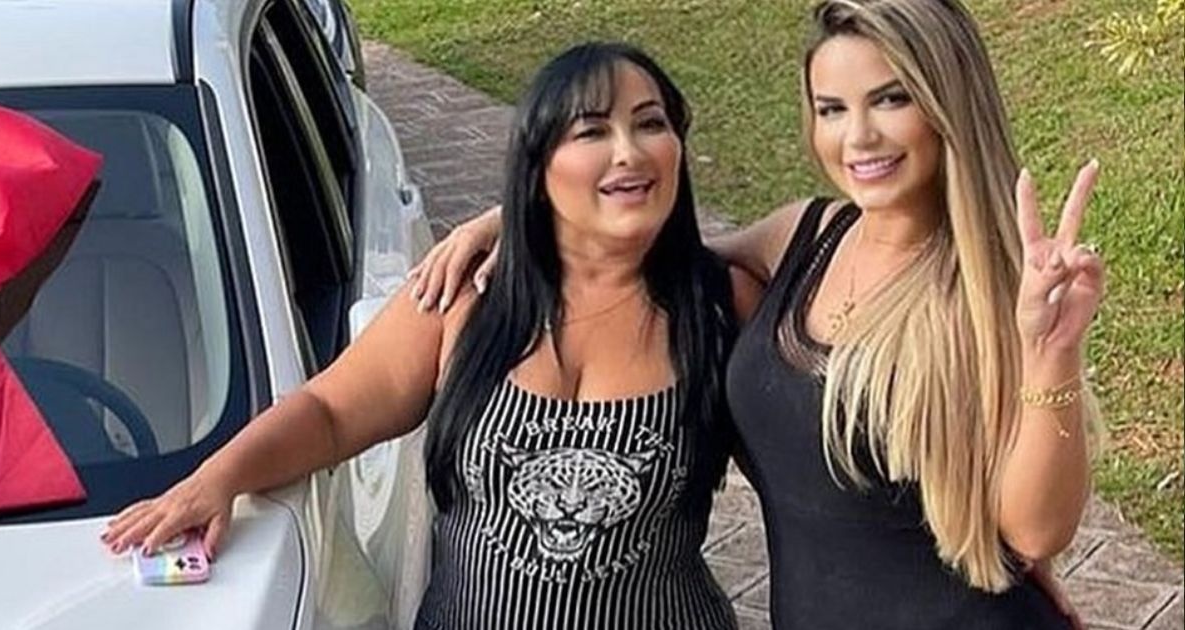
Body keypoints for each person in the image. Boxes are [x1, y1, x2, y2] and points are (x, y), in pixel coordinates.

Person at [409, 1, 1102, 627]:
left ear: (947, 103)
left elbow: (1034, 531)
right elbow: (653, 247)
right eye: (831, 109)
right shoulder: (806, 235)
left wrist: (1051, 353)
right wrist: (520, 217)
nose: (859, 137)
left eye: (891, 100)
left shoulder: (989, 289)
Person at [101, 42, 761, 630]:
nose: (629, 150)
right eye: (592, 130)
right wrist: (217, 479)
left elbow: (802, 498)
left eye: (651, 123)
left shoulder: (721, 306)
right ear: (538, 165)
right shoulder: (466, 298)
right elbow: (330, 413)